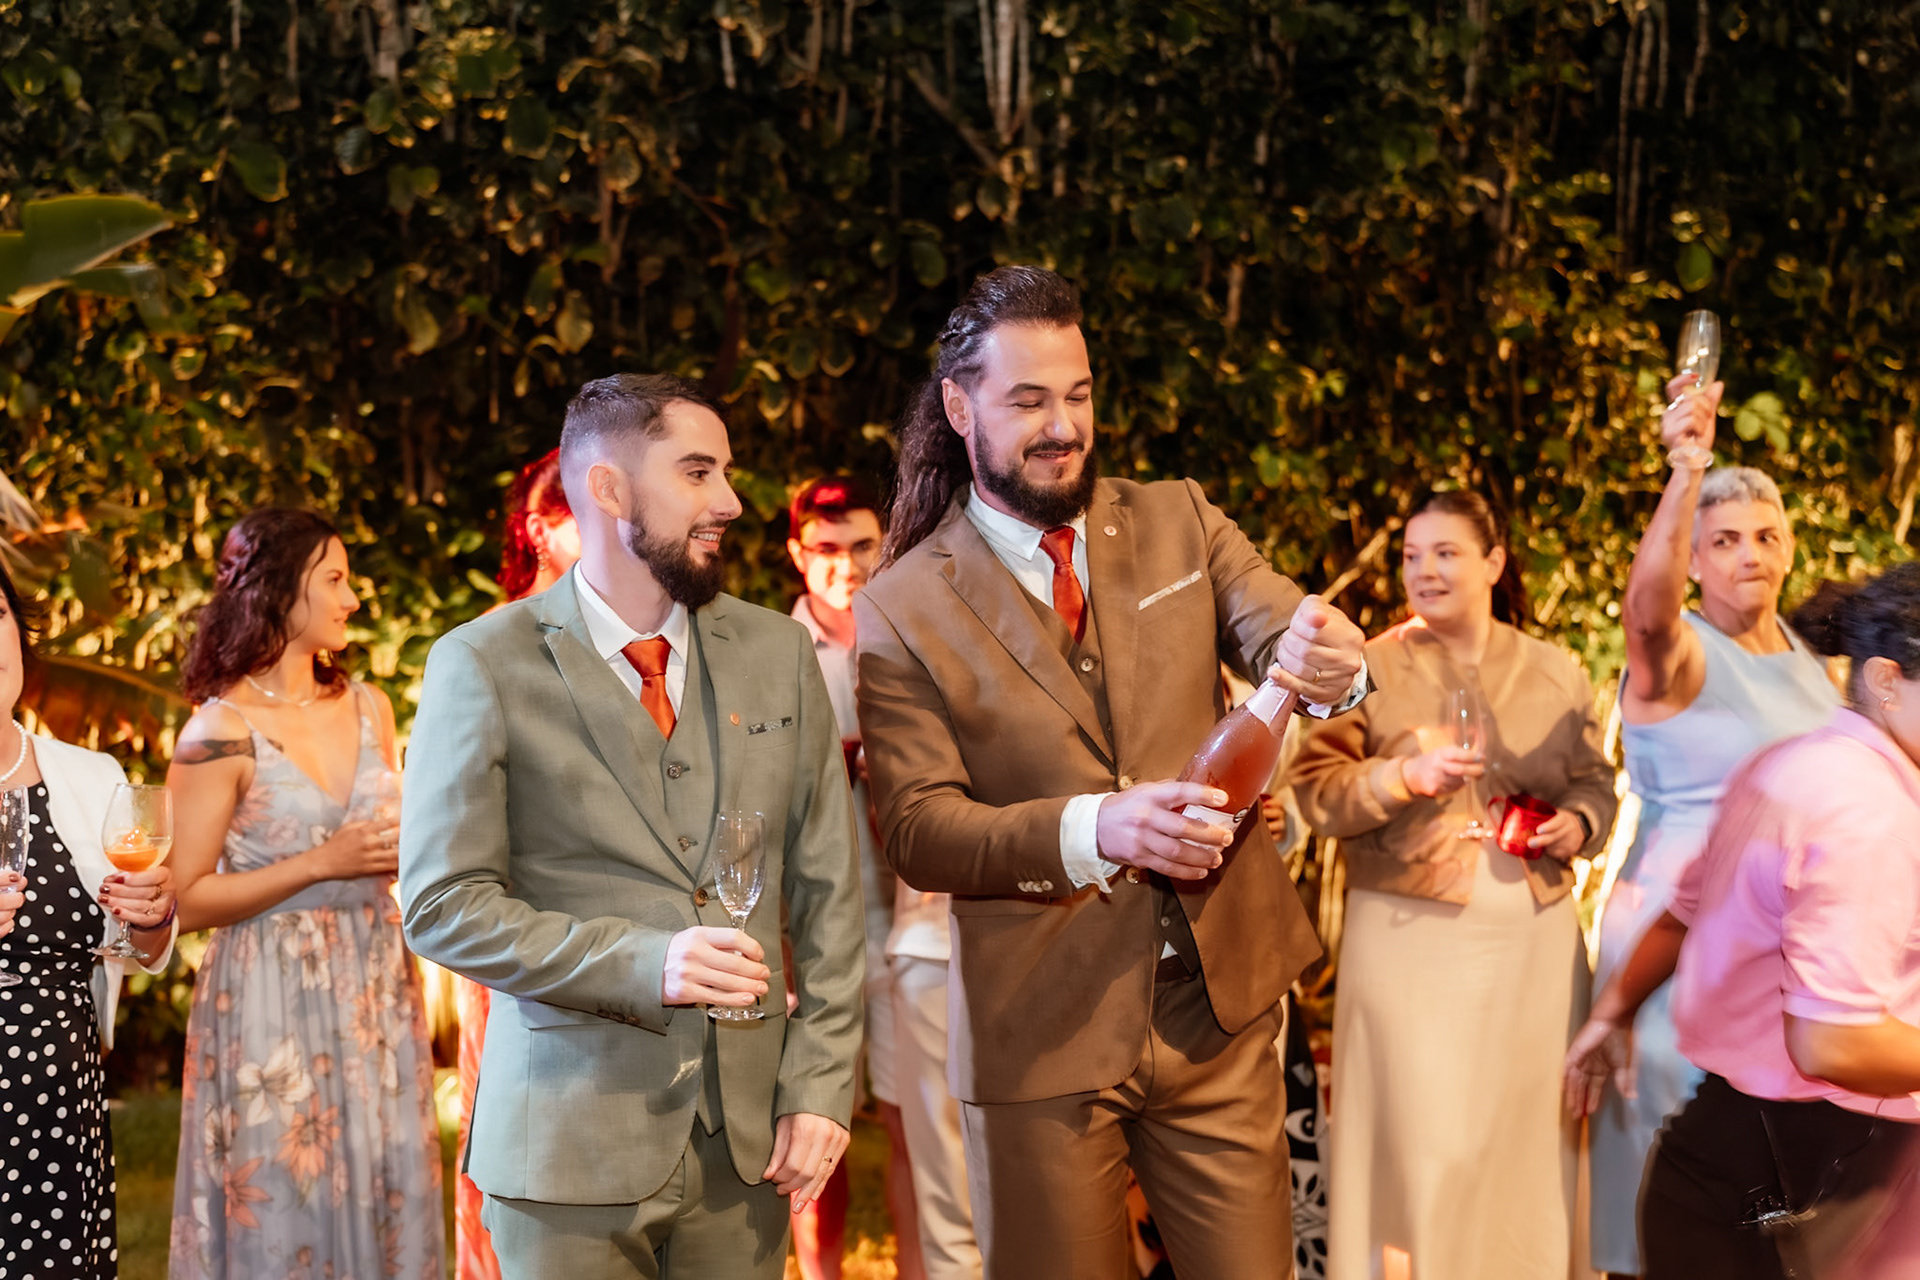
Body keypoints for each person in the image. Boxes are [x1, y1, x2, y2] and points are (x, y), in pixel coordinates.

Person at [853, 265, 1366, 1277]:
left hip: (1217, 1014)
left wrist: (1331, 661)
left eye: (1079, 395)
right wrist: (1096, 828)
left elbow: (1280, 625)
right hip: (1040, 1032)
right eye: (1029, 401)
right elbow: (916, 827)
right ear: (959, 408)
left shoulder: (1179, 517)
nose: (1063, 427)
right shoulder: (902, 604)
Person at [399, 374, 865, 1278]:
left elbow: (830, 894)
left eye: (725, 472)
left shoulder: (778, 653)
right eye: (697, 472)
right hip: (564, 1147)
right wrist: (646, 963)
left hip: (748, 1152)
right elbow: (443, 907)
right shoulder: (482, 663)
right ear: (609, 489)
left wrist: (819, 1082)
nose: (729, 502)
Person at [1291, 489, 1619, 1280]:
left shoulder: (1555, 669)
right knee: (1425, 1143)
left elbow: (1596, 784)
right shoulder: (1365, 667)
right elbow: (1315, 789)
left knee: (1526, 1137)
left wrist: (1578, 823)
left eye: (1445, 553)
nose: (1424, 571)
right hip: (1408, 945)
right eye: (1412, 556)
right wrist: (1403, 777)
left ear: (1494, 562)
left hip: (1535, 948)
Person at [1566, 563, 1920, 1280]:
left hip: (1714, 1158)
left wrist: (1612, 1011)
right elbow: (1829, 1039)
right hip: (1818, 1188)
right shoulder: (1866, 808)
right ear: (1886, 679)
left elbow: (1683, 912)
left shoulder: (1796, 760)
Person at [1589, 374, 1840, 1276]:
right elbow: (1643, 611)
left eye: (1766, 536)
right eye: (1724, 541)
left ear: (1790, 548)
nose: (1749, 555)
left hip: (1779, 949)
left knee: (1763, 1195)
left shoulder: (1814, 663)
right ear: (1692, 558)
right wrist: (1687, 466)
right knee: (1669, 1188)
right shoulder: (1679, 653)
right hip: (1674, 946)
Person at [165, 508, 443, 1280]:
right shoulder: (219, 732)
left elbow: (391, 838)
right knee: (288, 1204)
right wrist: (320, 863)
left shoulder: (370, 706)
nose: (352, 598)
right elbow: (183, 900)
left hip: (373, 985)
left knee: (383, 1185)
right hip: (268, 997)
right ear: (280, 591)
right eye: (335, 579)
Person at [0, 561, 176, 1280]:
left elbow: (136, 943)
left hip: (58, 1107)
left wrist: (153, 914)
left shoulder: (90, 776)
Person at [783, 475, 938, 1280]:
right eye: (826, 549)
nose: (845, 565)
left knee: (919, 1128)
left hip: (914, 918)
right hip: (813, 931)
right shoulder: (769, 653)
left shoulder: (910, 638)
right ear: (797, 553)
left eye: (862, 547)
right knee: (813, 1133)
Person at [455, 446, 580, 1280]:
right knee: (515, 1136)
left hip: (615, 921)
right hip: (514, 923)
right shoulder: (489, 648)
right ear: (539, 527)